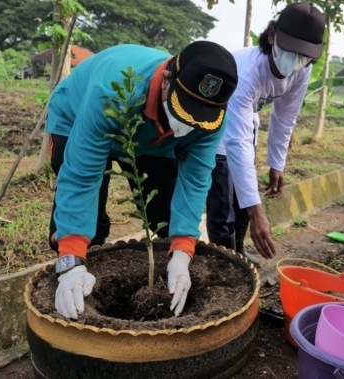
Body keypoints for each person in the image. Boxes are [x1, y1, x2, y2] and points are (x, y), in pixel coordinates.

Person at [47, 41, 238, 319]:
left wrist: (183, 249)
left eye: (198, 118)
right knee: (92, 218)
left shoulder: (211, 120)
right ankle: (76, 277)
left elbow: (196, 179)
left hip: (154, 137)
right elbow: (81, 174)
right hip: (78, 114)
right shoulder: (112, 91)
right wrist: (71, 257)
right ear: (166, 80)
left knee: (163, 213)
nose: (188, 125)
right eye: (184, 110)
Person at [205, 2, 325, 262]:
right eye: (291, 52)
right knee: (223, 207)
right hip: (218, 136)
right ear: (272, 36)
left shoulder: (302, 69)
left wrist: (276, 162)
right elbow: (234, 140)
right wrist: (257, 211)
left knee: (240, 203)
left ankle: (237, 253)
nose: (296, 62)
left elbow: (285, 116)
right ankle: (222, 263)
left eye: (305, 56)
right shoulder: (245, 71)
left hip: (246, 132)